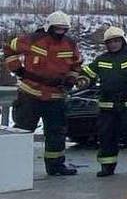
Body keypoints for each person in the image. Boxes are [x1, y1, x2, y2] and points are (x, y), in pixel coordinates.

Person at [2, 11, 82, 175]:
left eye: (64, 29)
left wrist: (71, 79)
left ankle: (56, 166)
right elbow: (9, 48)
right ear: (48, 27)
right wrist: (17, 69)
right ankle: (14, 168)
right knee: (22, 132)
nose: (61, 32)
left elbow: (77, 64)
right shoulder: (32, 40)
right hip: (31, 94)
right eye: (57, 29)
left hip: (56, 95)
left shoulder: (70, 44)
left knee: (56, 133)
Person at [78, 27, 127, 177]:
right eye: (110, 42)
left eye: (116, 41)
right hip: (108, 106)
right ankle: (107, 166)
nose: (113, 44)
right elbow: (88, 73)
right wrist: (83, 80)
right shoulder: (102, 59)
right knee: (107, 137)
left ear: (123, 41)